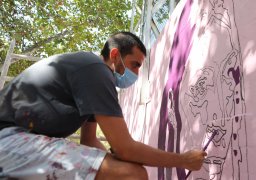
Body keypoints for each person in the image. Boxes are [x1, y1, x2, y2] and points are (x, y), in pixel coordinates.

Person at [0, 31, 207, 180]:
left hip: (15, 142)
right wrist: (183, 160)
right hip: (9, 141)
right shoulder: (97, 70)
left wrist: (116, 157)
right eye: (135, 64)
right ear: (115, 55)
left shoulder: (89, 74)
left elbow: (89, 140)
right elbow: (125, 148)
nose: (136, 73)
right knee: (132, 175)